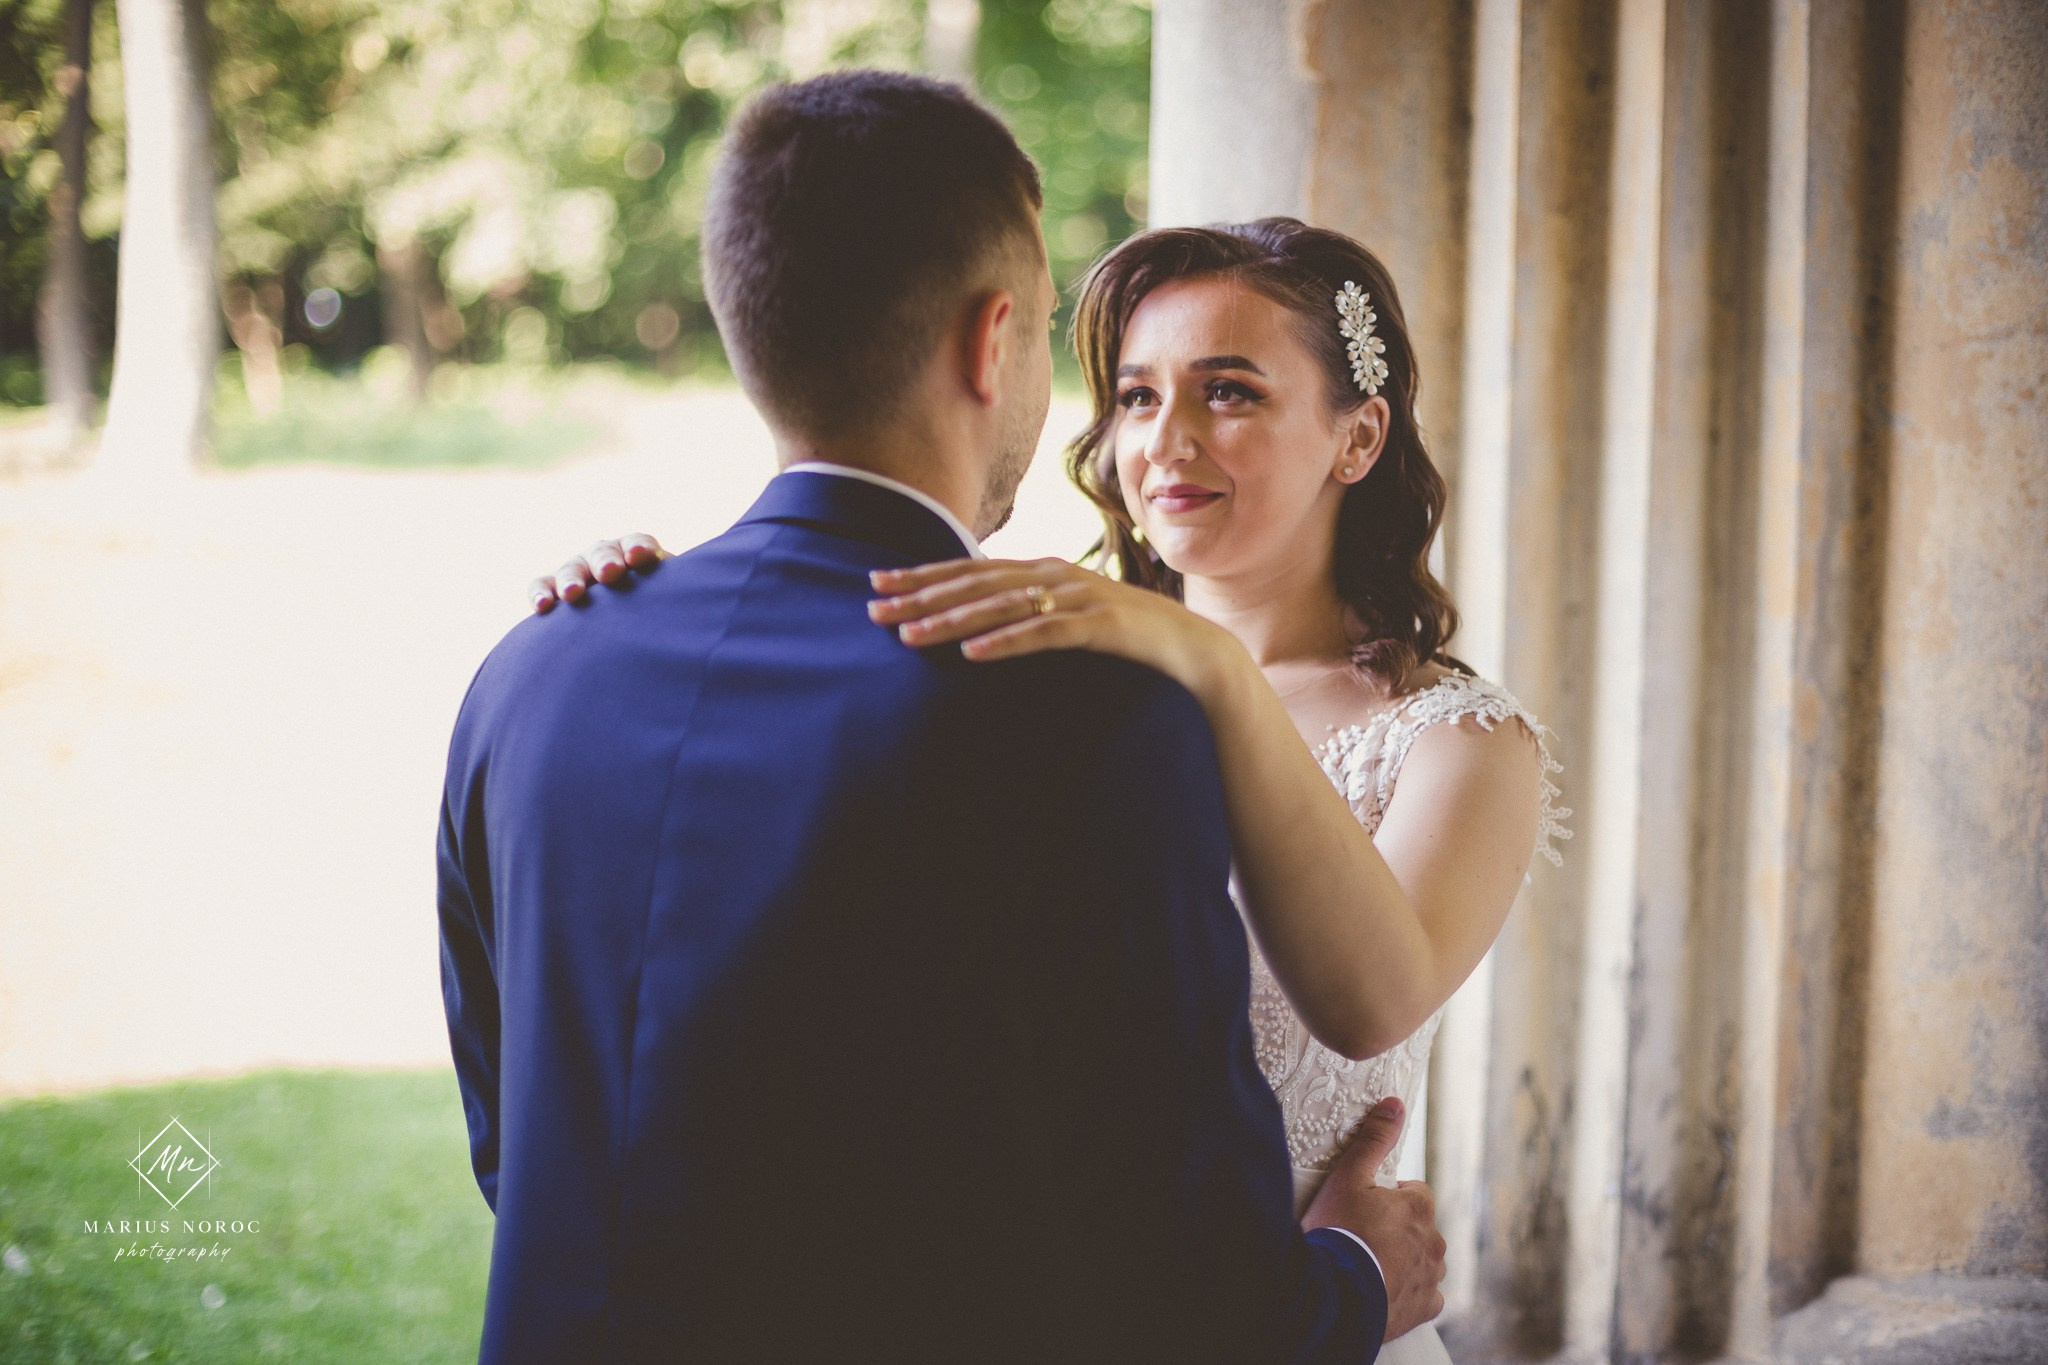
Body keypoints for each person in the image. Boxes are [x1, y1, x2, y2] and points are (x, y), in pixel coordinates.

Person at [441, 71, 1443, 1364]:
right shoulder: (1089, 721)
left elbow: (522, 1153)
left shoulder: (531, 669)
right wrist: (1363, 1273)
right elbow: (1192, 1289)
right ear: (992, 341)